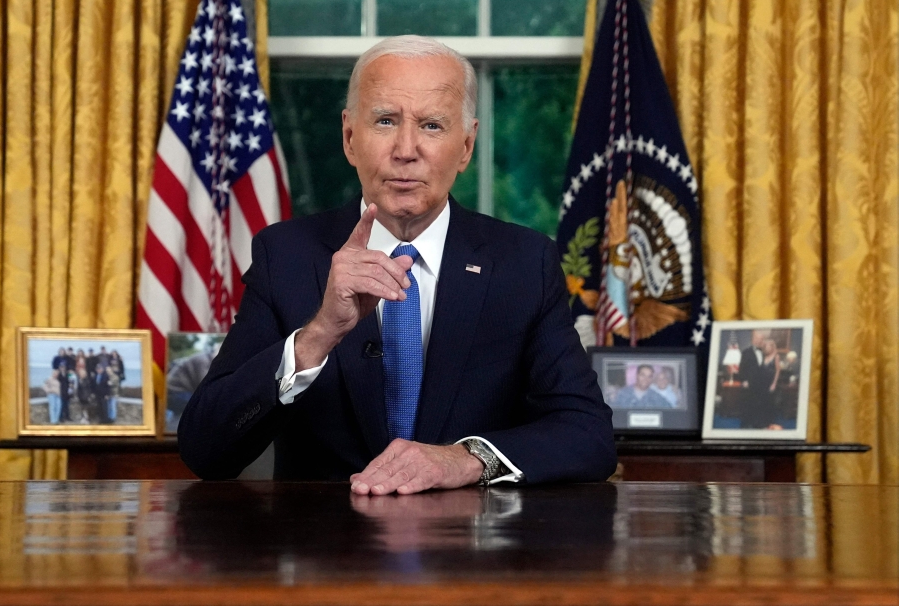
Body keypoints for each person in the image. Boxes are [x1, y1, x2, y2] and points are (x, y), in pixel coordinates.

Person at [178, 35, 616, 493]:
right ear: (350, 138)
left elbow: (588, 436)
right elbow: (205, 449)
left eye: (431, 126)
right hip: (326, 549)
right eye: (386, 121)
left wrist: (465, 459)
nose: (406, 150)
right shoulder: (285, 256)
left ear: (466, 146)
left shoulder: (525, 264)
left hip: (472, 553)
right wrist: (319, 333)